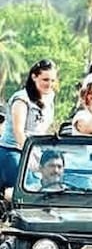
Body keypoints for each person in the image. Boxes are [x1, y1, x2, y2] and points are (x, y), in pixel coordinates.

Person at [0, 59, 57, 192]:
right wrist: (29, 158)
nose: (49, 84)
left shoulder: (49, 97)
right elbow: (18, 132)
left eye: (52, 80)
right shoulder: (21, 99)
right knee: (30, 189)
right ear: (34, 77)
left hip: (35, 151)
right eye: (45, 79)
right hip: (13, 151)